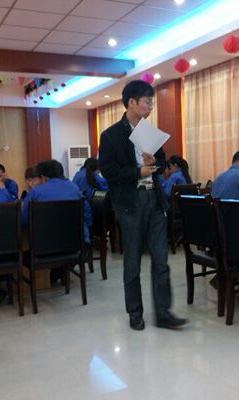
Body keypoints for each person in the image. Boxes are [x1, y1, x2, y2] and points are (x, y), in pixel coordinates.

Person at [98, 80, 187, 331]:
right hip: (131, 203)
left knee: (161, 259)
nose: (151, 106)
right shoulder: (111, 135)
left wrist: (154, 162)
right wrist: (138, 171)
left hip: (155, 200)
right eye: (148, 101)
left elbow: (161, 161)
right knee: (133, 262)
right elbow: (109, 171)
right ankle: (135, 313)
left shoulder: (149, 132)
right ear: (132, 102)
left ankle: (164, 313)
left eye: (152, 101)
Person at [22, 160, 92, 243]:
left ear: (44, 177)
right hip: (75, 241)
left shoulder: (35, 192)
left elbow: (24, 220)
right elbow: (87, 214)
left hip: (44, 244)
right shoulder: (75, 188)